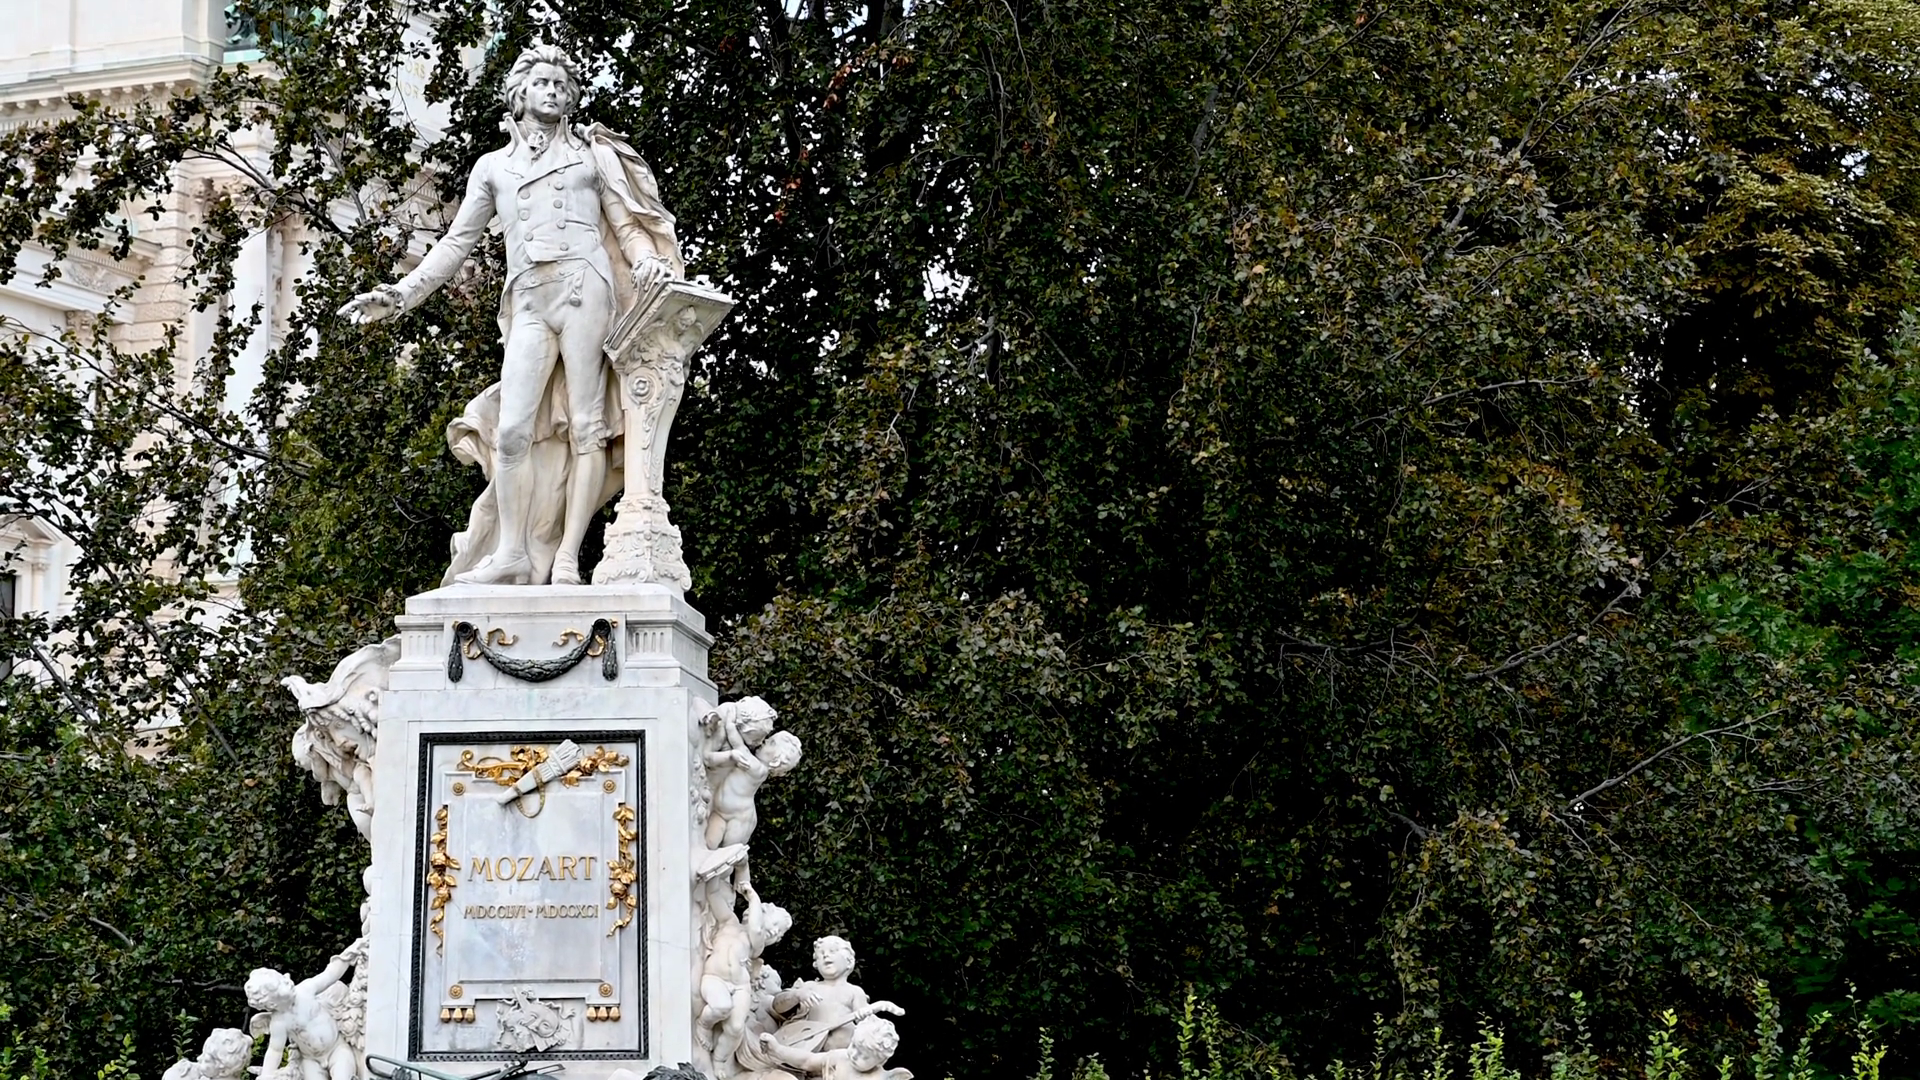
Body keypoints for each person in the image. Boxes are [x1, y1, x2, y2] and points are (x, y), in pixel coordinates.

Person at [339, 43, 681, 586]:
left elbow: (626, 227)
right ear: (519, 95)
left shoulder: (592, 157)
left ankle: (567, 557)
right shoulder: (494, 167)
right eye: (542, 82)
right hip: (528, 300)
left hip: (584, 289)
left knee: (587, 426)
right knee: (514, 430)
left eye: (561, 85)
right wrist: (402, 294)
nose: (553, 91)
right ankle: (512, 553)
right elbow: (456, 243)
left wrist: (646, 263)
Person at [771, 936, 902, 1053]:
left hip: (843, 1054)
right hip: (810, 1049)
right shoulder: (809, 987)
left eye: (832, 951)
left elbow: (867, 1024)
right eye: (821, 954)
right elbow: (777, 1005)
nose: (826, 956)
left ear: (848, 961)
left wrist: (866, 1017)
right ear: (816, 963)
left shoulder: (854, 991)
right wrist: (798, 995)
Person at [756, 1016, 913, 1080]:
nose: (854, 1055)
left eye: (864, 1056)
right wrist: (777, 1050)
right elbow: (807, 1061)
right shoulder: (840, 1058)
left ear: (881, 1061)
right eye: (854, 1046)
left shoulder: (881, 1078)